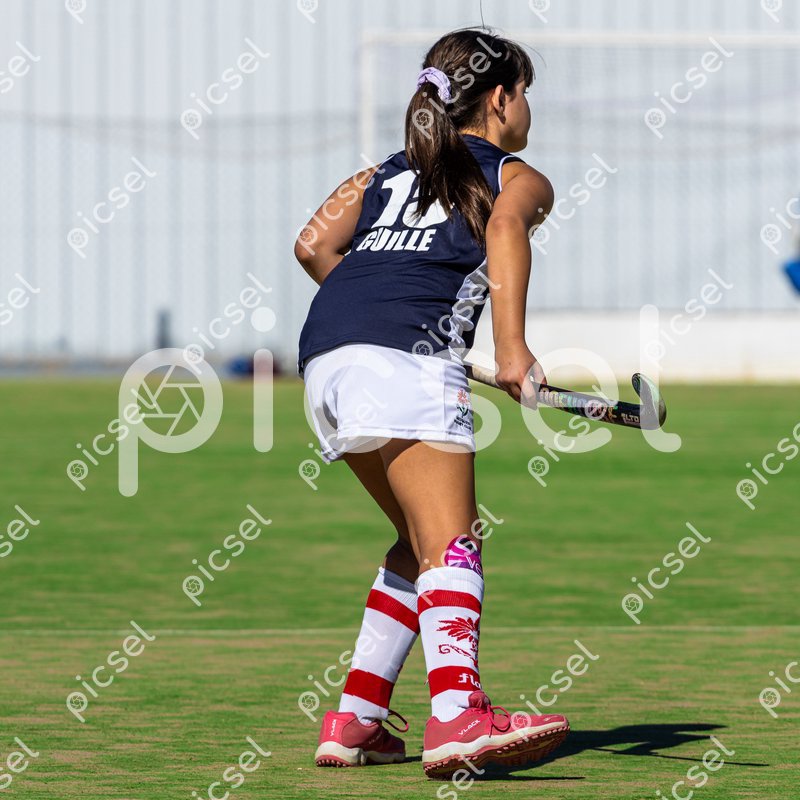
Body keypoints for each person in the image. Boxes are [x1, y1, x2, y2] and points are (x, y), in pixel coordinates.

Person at [294, 28, 569, 779]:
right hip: (403, 364)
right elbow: (506, 226)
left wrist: (378, 317)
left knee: (415, 543)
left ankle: (356, 719)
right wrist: (511, 350)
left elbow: (313, 246)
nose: (528, 108)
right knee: (454, 545)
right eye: (526, 93)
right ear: (502, 98)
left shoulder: (378, 172)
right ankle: (457, 715)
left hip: (326, 359)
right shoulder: (519, 176)